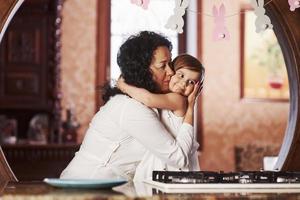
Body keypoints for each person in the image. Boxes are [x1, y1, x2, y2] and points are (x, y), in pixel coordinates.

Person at [60, 31, 200, 180]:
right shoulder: (131, 108)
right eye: (163, 65)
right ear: (143, 70)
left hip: (112, 188)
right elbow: (178, 157)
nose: (171, 72)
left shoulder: (151, 102)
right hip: (86, 186)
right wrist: (191, 109)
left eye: (170, 63)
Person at [117, 54, 205, 180]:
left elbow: (147, 99)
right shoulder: (165, 97)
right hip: (165, 160)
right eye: (181, 75)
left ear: (196, 88)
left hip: (173, 165)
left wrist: (123, 85)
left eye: (191, 82)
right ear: (171, 72)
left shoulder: (178, 100)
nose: (183, 83)